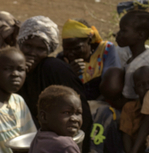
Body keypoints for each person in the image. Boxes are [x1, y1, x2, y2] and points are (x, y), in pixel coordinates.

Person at [16, 16, 92, 153]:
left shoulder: (54, 69)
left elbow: (83, 115)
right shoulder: (13, 69)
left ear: (49, 50)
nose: (32, 53)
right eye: (28, 46)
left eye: (40, 49)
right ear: (20, 44)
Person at [59, 19, 122, 102]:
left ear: (89, 40)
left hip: (102, 103)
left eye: (77, 48)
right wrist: (69, 74)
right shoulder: (62, 58)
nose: (70, 54)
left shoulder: (106, 50)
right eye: (66, 49)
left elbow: (112, 84)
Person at [115, 10, 149, 103]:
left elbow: (129, 100)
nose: (118, 34)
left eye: (124, 30)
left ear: (140, 35)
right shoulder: (139, 56)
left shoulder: (137, 66)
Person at [29, 85, 83, 153]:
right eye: (66, 112)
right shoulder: (66, 146)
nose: (74, 119)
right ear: (44, 116)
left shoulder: (39, 138)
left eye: (78, 113)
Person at [120, 66, 149, 153]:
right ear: (135, 90)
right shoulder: (130, 108)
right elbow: (126, 136)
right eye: (141, 85)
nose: (147, 88)